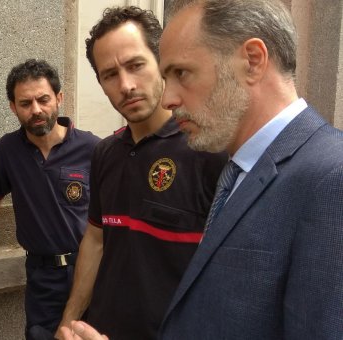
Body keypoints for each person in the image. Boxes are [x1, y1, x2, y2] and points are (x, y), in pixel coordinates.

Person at [156, 0, 343, 338]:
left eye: (181, 73)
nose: (167, 98)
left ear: (253, 60)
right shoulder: (238, 169)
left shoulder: (333, 177)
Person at [57, 6, 227, 339]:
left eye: (136, 65)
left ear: (162, 62)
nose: (126, 85)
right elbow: (95, 240)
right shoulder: (105, 153)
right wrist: (69, 319)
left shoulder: (209, 151)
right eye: (109, 74)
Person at [0, 59, 100, 339]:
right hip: (43, 279)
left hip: (91, 271)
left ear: (59, 98)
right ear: (13, 107)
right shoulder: (8, 150)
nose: (36, 110)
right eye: (25, 103)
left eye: (43, 99)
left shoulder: (92, 148)